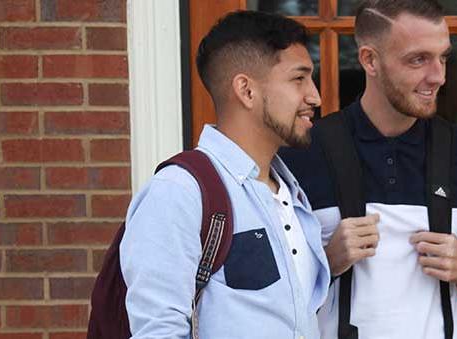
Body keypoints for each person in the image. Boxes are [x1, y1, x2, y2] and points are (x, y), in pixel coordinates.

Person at [278, 1, 457, 338]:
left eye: (443, 57)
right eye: (418, 59)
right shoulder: (302, 154)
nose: (439, 77)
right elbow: (260, 289)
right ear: (370, 60)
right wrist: (327, 260)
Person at [120, 10, 330, 338]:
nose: (314, 97)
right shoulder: (179, 191)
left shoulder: (291, 194)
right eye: (298, 79)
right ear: (246, 91)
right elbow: (157, 331)